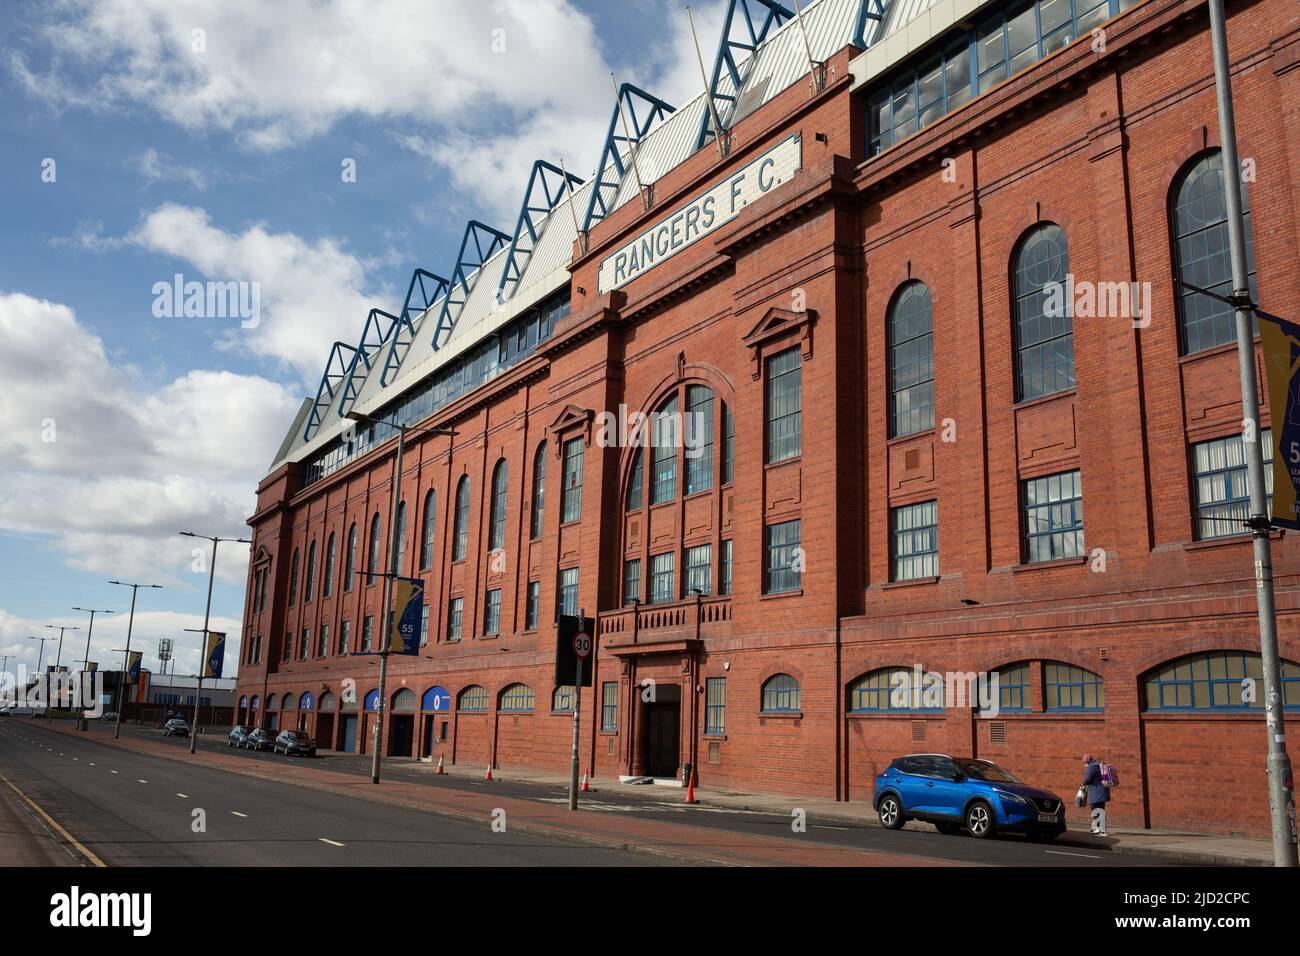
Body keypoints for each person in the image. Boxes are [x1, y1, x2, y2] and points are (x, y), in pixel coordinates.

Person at [1081, 754, 1109, 836]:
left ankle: (1097, 829)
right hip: (1103, 791)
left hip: (1095, 792)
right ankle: (1102, 829)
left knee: (1095, 811)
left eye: (1085, 763)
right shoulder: (1099, 764)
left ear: (1087, 761)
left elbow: (1087, 780)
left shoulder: (1091, 767)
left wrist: (1083, 782)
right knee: (1101, 811)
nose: (1085, 765)